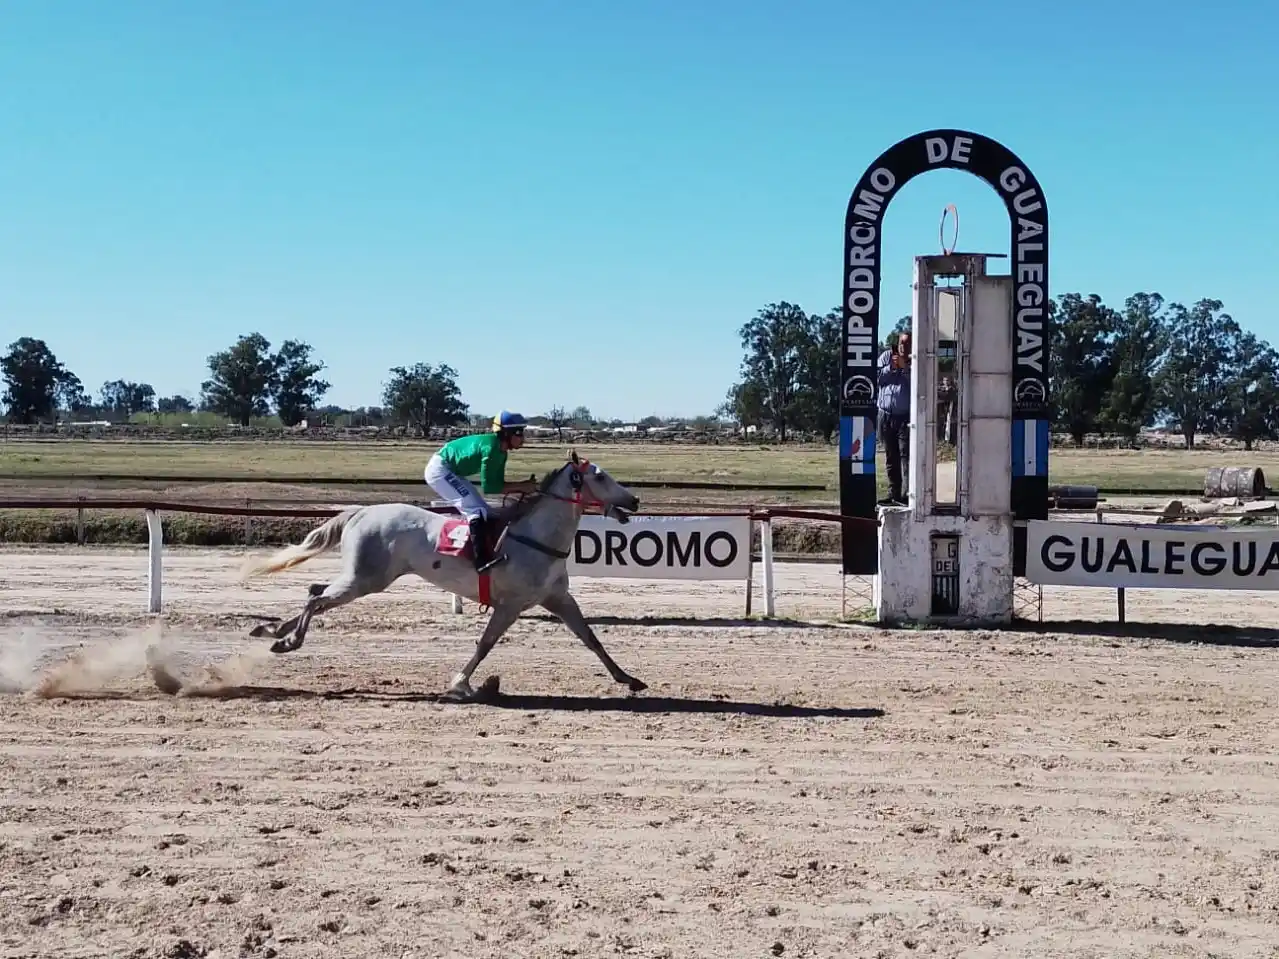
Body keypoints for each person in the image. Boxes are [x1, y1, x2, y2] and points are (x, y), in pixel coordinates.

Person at [424, 411, 538, 571]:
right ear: (506, 434)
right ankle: (480, 562)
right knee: (475, 510)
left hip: (450, 470)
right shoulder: (491, 449)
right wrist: (522, 486)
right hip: (440, 470)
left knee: (485, 510)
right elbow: (490, 488)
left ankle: (486, 550)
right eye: (519, 432)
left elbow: (497, 484)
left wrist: (522, 486)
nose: (523, 438)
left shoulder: (501, 452)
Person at [876, 332, 912, 506]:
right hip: (885, 414)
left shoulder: (917, 359)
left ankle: (907, 494)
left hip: (905, 417)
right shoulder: (886, 356)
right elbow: (875, 378)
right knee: (891, 456)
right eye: (901, 344)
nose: (903, 347)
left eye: (907, 344)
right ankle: (893, 493)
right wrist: (891, 367)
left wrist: (905, 368)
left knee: (905, 456)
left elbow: (919, 383)